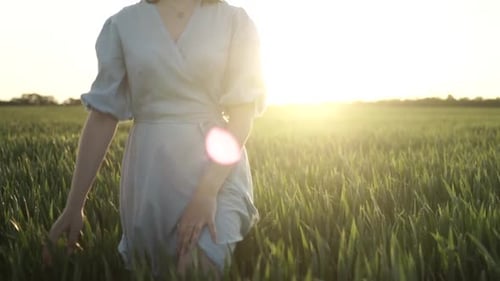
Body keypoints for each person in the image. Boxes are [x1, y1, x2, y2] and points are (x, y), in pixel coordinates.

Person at [43, 0, 266, 278]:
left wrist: (207, 192)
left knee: (194, 270)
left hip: (217, 173)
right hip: (152, 175)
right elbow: (103, 116)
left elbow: (242, 115)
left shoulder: (235, 20)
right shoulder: (123, 25)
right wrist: (74, 205)